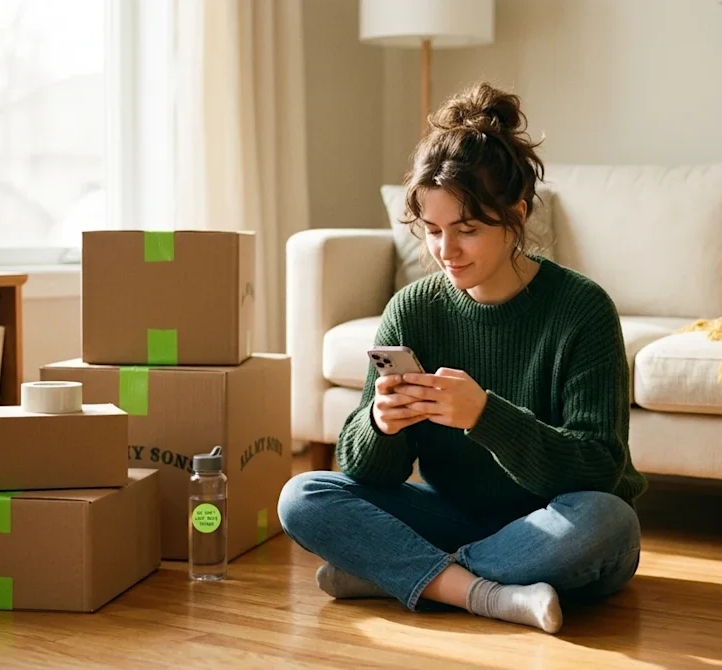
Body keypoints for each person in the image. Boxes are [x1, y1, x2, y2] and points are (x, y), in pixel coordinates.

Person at [277, 81, 647, 635]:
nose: (446, 251)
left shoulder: (581, 309)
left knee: (608, 523)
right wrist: (381, 423)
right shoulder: (413, 309)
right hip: (452, 516)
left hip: (554, 525)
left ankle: (400, 577)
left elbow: (599, 465)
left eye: (467, 230)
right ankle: (482, 592)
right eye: (432, 232)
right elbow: (366, 472)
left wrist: (484, 415)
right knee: (302, 495)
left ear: (516, 214)